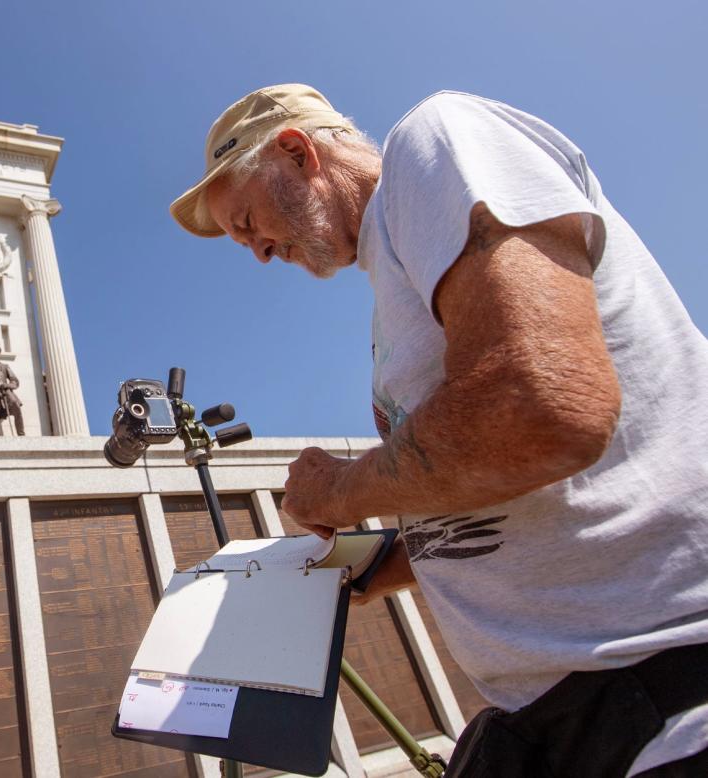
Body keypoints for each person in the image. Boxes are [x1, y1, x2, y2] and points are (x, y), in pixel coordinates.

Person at [170, 84, 708, 776]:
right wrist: (355, 573)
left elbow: (540, 408)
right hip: (564, 723)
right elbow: (483, 500)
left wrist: (338, 492)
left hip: (667, 697)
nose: (259, 254)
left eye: (248, 222)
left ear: (299, 152)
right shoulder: (391, 295)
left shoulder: (437, 139)